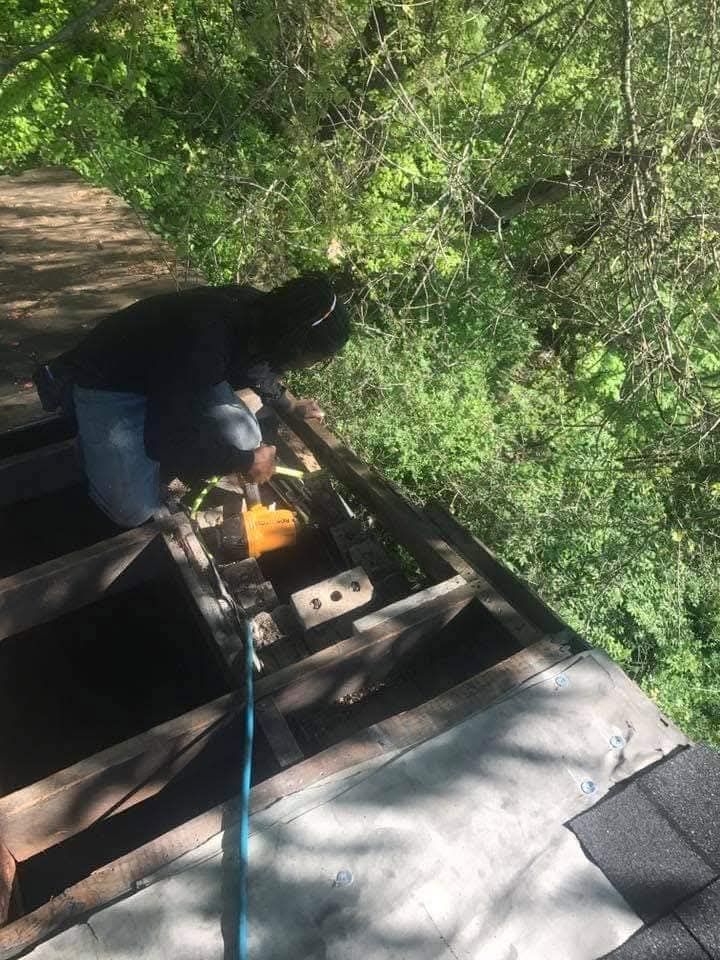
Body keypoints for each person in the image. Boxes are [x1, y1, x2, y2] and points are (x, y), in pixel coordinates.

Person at [34, 272, 350, 527]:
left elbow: (258, 365)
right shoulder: (207, 338)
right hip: (111, 384)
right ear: (294, 344)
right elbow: (166, 440)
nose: (310, 364)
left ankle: (140, 447)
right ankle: (92, 443)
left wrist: (289, 405)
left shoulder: (260, 314)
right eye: (314, 357)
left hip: (170, 375)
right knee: (133, 511)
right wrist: (244, 462)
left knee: (246, 436)